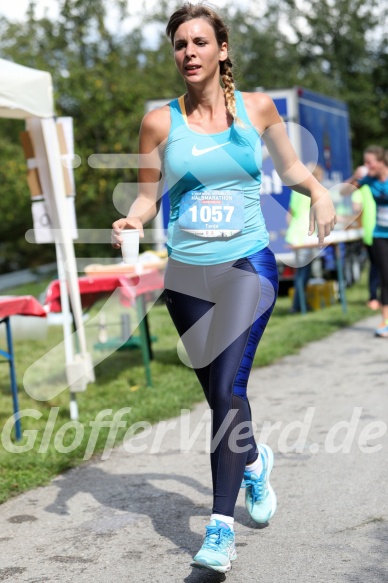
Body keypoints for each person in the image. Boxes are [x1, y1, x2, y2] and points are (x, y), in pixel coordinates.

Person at [112, 2, 336, 573]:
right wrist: (135, 219)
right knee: (220, 394)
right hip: (187, 275)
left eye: (199, 42)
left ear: (222, 50)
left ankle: (219, 528)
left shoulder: (256, 110)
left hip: (247, 266)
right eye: (180, 45)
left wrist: (320, 192)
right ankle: (256, 462)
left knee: (227, 386)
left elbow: (290, 171)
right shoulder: (161, 122)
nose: (188, 52)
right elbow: (147, 193)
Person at [343, 146, 388, 337]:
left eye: (370, 162)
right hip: (380, 235)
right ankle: (386, 321)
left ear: (381, 162)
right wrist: (355, 176)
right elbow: (344, 192)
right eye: (365, 162)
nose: (367, 165)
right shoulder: (369, 179)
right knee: (386, 278)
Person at [285, 163, 324, 313]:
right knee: (303, 273)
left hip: (296, 234)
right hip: (305, 235)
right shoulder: (314, 191)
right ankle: (297, 305)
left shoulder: (297, 191)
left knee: (302, 272)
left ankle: (300, 303)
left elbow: (290, 214)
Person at [351, 183, 380, 310]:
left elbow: (355, 207)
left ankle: (374, 297)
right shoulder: (369, 184)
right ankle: (373, 297)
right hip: (374, 232)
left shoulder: (364, 185)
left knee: (376, 265)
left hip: (371, 231)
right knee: (377, 265)